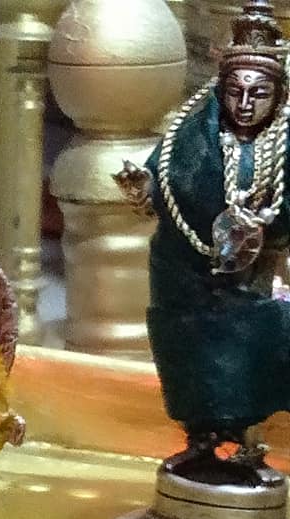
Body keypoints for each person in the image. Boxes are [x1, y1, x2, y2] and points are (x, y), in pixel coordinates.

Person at [115, 0, 290, 485]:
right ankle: (200, 443)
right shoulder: (193, 134)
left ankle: (248, 443)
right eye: (236, 91)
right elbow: (165, 182)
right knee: (189, 352)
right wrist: (144, 189)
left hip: (253, 274)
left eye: (259, 93)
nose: (245, 104)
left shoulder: (283, 144)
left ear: (278, 95)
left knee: (253, 348)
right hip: (184, 273)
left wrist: (265, 225)